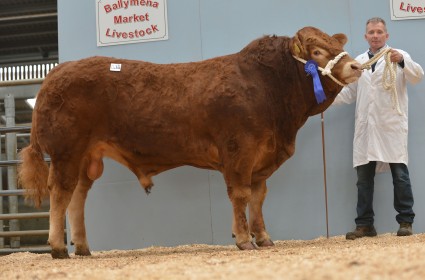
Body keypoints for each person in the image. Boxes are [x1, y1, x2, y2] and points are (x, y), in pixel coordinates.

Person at [333, 17, 424, 240]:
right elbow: (348, 93)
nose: (375, 35)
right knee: (363, 179)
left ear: (386, 35)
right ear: (365, 36)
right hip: (367, 128)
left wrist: (402, 60)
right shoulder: (359, 62)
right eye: (371, 32)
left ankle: (405, 221)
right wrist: (322, 98)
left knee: (400, 176)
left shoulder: (397, 56)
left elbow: (417, 76)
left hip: (391, 126)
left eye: (379, 32)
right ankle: (365, 225)